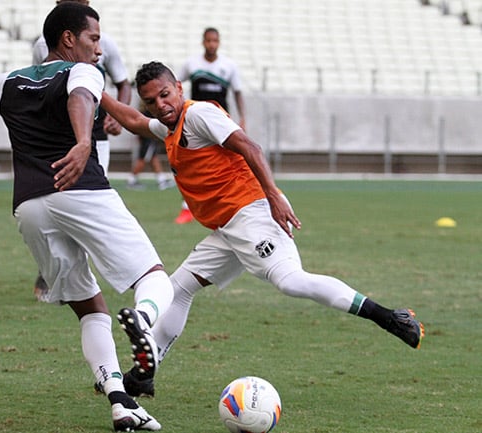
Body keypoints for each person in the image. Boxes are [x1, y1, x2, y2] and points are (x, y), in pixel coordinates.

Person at [0, 5, 173, 430]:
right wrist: (84, 141)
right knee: (155, 277)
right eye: (93, 39)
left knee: (91, 310)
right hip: (80, 188)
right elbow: (81, 98)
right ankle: (143, 320)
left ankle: (122, 402)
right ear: (68, 39)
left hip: (30, 207)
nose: (99, 48)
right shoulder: (83, 72)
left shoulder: (8, 81)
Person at [99, 61, 425, 398]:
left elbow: (249, 146)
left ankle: (390, 317)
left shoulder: (198, 115)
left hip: (253, 214)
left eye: (165, 94)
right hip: (228, 229)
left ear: (179, 88)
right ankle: (143, 376)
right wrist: (98, 91)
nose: (160, 105)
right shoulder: (171, 127)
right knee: (177, 289)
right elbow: (135, 121)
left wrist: (272, 195)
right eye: (151, 101)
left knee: (291, 281)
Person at [31, 0, 132, 302]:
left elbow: (123, 83)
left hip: (95, 136)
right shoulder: (42, 45)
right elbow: (40, 83)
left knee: (87, 199)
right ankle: (52, 271)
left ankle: (75, 279)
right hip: (57, 138)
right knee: (57, 198)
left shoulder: (104, 45)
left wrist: (116, 114)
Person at [174, 27, 246, 225]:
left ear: (219, 42)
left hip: (221, 122)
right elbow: (175, 84)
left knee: (225, 162)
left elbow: (238, 93)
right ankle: (186, 208)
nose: (211, 44)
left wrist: (242, 119)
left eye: (215, 41)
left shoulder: (228, 66)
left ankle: (227, 204)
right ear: (203, 42)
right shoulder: (192, 64)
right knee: (191, 164)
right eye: (208, 41)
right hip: (195, 121)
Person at [127, 103, 174, 191]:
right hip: (148, 138)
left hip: (149, 138)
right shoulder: (149, 112)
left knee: (154, 158)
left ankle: (161, 179)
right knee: (143, 159)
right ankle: (132, 180)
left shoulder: (146, 111)